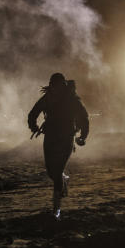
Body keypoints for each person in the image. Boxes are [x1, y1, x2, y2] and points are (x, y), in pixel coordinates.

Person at [27, 73, 89, 218]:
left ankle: (56, 209)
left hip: (67, 138)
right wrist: (34, 127)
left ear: (63, 85)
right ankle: (63, 179)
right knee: (51, 171)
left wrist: (82, 137)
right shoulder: (47, 98)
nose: (55, 88)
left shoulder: (73, 100)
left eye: (58, 85)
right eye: (53, 85)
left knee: (57, 170)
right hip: (50, 137)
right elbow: (33, 114)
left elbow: (84, 118)